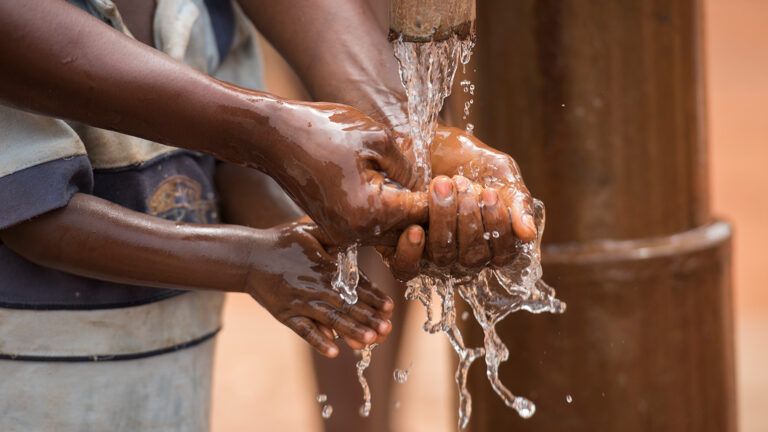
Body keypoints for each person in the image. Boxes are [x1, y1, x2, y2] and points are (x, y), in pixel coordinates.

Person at [0, 0, 537, 431]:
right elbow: (34, 216)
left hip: (172, 382)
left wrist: (339, 224)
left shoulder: (203, 15)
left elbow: (236, 171)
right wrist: (250, 260)